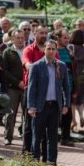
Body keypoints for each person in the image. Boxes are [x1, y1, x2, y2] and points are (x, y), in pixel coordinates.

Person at [27, 40, 70, 165]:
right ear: (44, 50)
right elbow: (31, 88)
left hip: (55, 107)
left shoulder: (61, 66)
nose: (51, 51)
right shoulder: (36, 66)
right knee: (37, 136)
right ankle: (35, 161)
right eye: (48, 49)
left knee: (53, 137)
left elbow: (66, 87)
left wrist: (66, 104)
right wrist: (31, 106)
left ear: (56, 50)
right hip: (40, 107)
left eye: (53, 49)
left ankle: (51, 162)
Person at [23, 25, 56, 156]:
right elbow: (27, 64)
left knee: (45, 128)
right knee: (30, 126)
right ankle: (27, 154)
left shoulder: (51, 48)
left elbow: (57, 63)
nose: (43, 35)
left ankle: (44, 157)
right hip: (31, 90)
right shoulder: (29, 50)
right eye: (41, 33)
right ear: (35, 34)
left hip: (48, 93)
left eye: (45, 33)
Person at [1, 29, 25, 145]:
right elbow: (5, 71)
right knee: (10, 114)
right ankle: (8, 137)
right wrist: (17, 82)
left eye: (22, 37)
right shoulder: (7, 52)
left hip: (26, 87)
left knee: (27, 114)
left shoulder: (28, 50)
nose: (20, 40)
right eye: (18, 38)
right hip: (13, 87)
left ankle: (26, 137)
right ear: (13, 39)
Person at [53, 28, 75, 147]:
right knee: (55, 113)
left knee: (68, 114)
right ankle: (53, 135)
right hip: (55, 88)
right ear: (58, 38)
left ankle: (65, 137)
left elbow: (74, 70)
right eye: (65, 37)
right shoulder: (53, 51)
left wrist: (75, 88)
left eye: (68, 38)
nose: (67, 40)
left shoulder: (69, 51)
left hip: (68, 87)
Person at [68, 29, 84, 132]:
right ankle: (81, 115)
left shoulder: (70, 47)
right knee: (80, 100)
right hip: (83, 76)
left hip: (73, 75)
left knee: (72, 100)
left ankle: (73, 120)